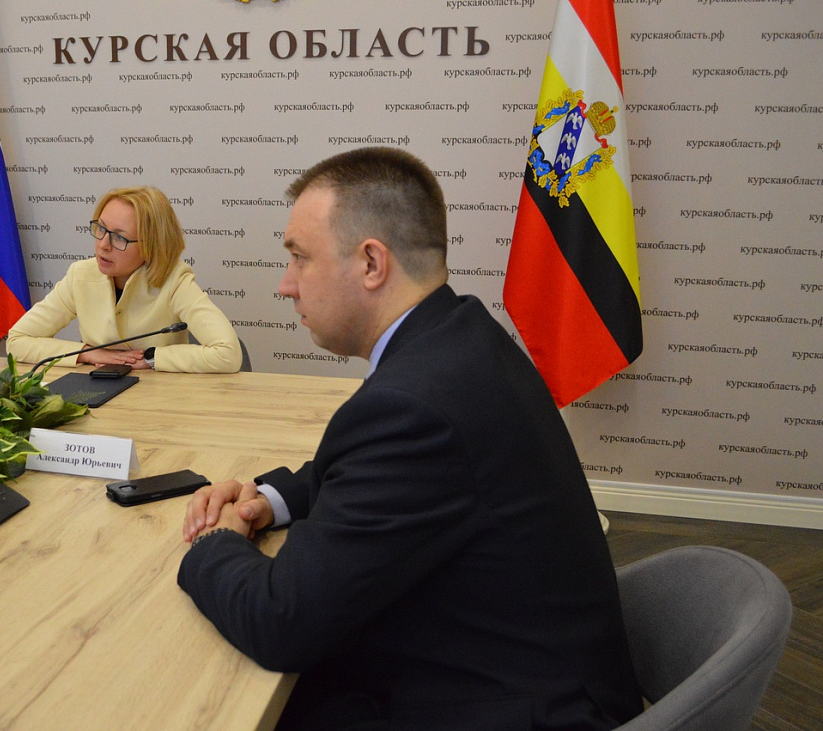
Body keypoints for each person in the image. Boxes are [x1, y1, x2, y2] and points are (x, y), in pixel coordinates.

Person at [177, 148, 641, 730]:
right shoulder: (460, 335)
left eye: (299, 258)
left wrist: (214, 542)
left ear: (372, 263)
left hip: (516, 708)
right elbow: (371, 474)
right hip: (525, 664)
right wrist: (267, 502)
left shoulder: (412, 406)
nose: (285, 285)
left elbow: (281, 623)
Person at [7, 185, 242, 373]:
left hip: (163, 400)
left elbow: (227, 353)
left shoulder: (174, 281)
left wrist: (151, 358)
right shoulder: (81, 275)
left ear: (151, 246)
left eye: (119, 238)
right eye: (101, 229)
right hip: (98, 394)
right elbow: (17, 341)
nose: (103, 245)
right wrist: (86, 352)